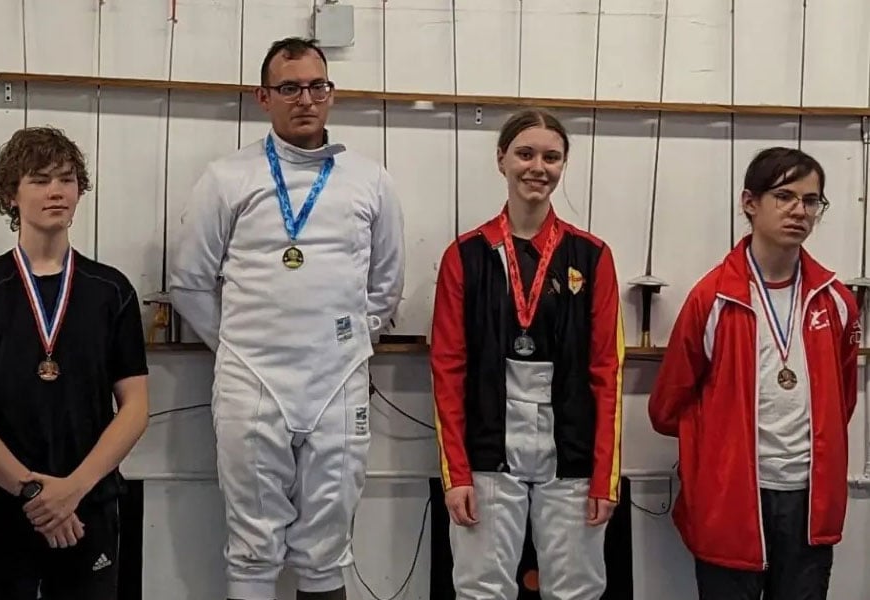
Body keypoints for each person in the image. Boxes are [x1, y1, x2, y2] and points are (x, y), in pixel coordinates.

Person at [169, 37, 405, 600]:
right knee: (252, 544)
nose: (305, 99)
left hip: (337, 382)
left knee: (325, 547)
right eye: (290, 88)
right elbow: (190, 282)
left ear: (332, 94)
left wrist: (344, 343)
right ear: (263, 97)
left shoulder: (370, 180)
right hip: (253, 379)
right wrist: (241, 345)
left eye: (316, 86)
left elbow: (385, 286)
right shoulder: (227, 178)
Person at [648, 147, 861, 599]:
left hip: (808, 500)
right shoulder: (712, 299)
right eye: (784, 196)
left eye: (810, 201)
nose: (798, 211)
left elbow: (842, 400)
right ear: (750, 202)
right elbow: (668, 406)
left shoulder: (836, 299)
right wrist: (716, 460)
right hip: (732, 501)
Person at [430, 108, 625, 599]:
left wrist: (605, 476)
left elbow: (607, 371)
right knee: (480, 589)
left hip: (572, 450)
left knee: (577, 589)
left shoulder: (593, 255)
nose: (538, 166)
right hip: (487, 447)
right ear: (501, 160)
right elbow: (448, 368)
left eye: (551, 157)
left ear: (563, 166)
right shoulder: (465, 254)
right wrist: (455, 472)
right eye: (525, 153)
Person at [0, 126, 151, 599]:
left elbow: (136, 406)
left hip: (89, 503)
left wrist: (72, 490)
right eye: (40, 179)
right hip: (5, 506)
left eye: (67, 179)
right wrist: (32, 493)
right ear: (10, 194)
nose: (56, 191)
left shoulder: (112, 290)